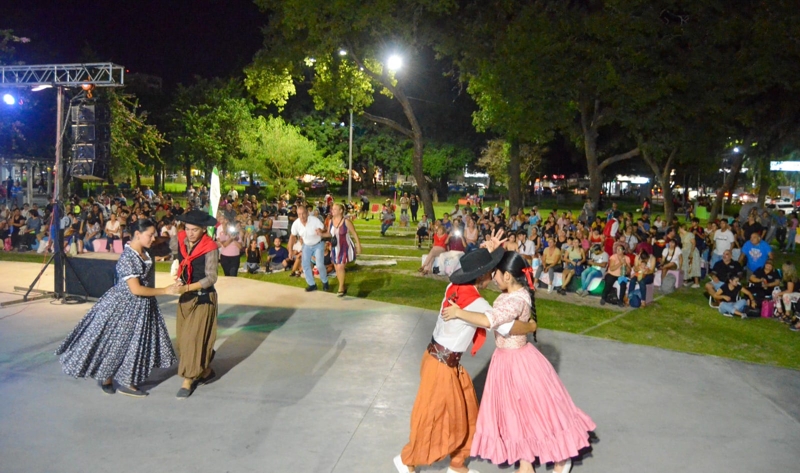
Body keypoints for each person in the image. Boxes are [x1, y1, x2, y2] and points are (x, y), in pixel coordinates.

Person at [441, 251, 595, 473]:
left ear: (508, 277)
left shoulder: (516, 300)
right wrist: (494, 253)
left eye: (496, 273)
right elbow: (508, 324)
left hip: (520, 364)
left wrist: (459, 313)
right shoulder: (512, 293)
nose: (493, 277)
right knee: (515, 413)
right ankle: (525, 462)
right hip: (505, 362)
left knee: (536, 412)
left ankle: (561, 458)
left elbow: (489, 320)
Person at [393, 236, 537, 473]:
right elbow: (506, 327)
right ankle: (406, 461)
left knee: (469, 412)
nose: (493, 276)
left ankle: (458, 466)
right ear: (481, 276)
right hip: (441, 366)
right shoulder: (477, 303)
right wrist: (530, 326)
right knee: (432, 417)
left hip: (443, 361)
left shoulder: (455, 287)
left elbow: (479, 275)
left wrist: (492, 252)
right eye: (490, 272)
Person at [55, 219, 181, 397]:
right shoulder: (128, 257)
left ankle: (125, 380)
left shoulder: (143, 252)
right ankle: (112, 378)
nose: (153, 238)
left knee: (135, 343)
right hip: (124, 305)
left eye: (154, 234)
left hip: (142, 305)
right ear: (137, 234)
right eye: (150, 234)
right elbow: (135, 289)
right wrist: (165, 290)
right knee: (116, 341)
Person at [173, 210, 220, 399]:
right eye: (188, 229)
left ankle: (188, 380)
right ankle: (205, 370)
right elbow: (181, 263)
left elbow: (211, 278)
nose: (190, 233)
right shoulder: (183, 241)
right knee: (183, 341)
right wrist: (179, 280)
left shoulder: (210, 247)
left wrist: (188, 287)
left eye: (194, 230)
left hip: (202, 298)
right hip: (185, 297)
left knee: (193, 340)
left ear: (203, 229)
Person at [320, 203, 362, 297]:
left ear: (341, 211)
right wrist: (321, 234)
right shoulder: (330, 221)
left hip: (344, 247)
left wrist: (358, 245)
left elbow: (354, 233)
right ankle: (342, 286)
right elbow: (329, 234)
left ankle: (340, 288)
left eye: (335, 209)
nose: (332, 210)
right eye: (332, 209)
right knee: (336, 268)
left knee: (340, 267)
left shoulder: (346, 221)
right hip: (335, 247)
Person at [288, 205, 329, 292]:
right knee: (305, 265)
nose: (302, 216)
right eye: (299, 214)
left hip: (318, 244)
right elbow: (292, 237)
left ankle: (325, 282)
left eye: (303, 214)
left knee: (319, 264)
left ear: (307, 213)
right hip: (306, 245)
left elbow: (325, 229)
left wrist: (321, 231)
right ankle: (312, 284)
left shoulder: (314, 220)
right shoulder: (296, 224)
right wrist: (290, 251)